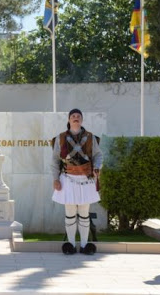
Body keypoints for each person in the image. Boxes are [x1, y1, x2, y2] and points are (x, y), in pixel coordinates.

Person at [50, 108, 102, 255]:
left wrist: (97, 167)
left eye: (78, 116)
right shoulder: (60, 138)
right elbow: (54, 161)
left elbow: (98, 155)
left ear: (82, 120)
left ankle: (85, 245)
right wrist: (55, 179)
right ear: (69, 119)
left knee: (84, 212)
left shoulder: (91, 138)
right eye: (73, 116)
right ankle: (71, 244)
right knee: (70, 212)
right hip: (67, 178)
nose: (75, 118)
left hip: (86, 178)